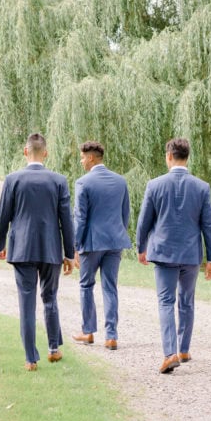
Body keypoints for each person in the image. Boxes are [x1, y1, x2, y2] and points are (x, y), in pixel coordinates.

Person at [135, 137, 211, 374]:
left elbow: (144, 221)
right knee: (186, 301)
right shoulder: (201, 187)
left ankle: (170, 353)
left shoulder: (155, 185)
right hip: (190, 254)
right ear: (187, 157)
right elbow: (208, 226)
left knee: (166, 302)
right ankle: (183, 350)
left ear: (169, 156)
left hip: (163, 253)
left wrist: (141, 247)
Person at [0, 133, 75, 371]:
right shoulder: (58, 180)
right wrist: (69, 253)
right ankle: (53, 349)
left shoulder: (13, 179)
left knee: (26, 302)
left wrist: (0, 244)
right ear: (45, 153)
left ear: (25, 151)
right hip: (51, 248)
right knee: (50, 298)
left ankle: (30, 358)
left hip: (22, 249)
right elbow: (66, 220)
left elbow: (2, 216)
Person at [70, 141, 131, 350]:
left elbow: (80, 218)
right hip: (115, 242)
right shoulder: (120, 181)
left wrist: (75, 246)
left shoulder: (83, 183)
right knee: (110, 287)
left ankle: (88, 332)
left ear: (91, 158)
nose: (81, 161)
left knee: (86, 285)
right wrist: (118, 233)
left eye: (82, 157)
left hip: (92, 243)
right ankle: (111, 336)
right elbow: (125, 214)